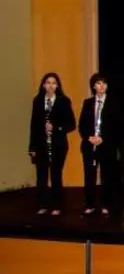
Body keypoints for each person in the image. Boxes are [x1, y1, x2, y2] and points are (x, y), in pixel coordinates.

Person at [29, 72, 76, 215]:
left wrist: (55, 128)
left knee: (56, 175)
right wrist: (32, 147)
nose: (51, 86)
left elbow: (71, 124)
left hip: (58, 145)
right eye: (48, 83)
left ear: (57, 86)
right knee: (41, 176)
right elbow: (33, 125)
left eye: (54, 83)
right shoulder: (37, 100)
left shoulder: (64, 101)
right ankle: (42, 204)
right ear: (43, 85)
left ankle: (57, 206)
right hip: (41, 144)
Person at [79, 72, 123, 216]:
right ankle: (90, 204)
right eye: (98, 83)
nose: (101, 86)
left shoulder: (114, 103)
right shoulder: (87, 103)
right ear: (93, 86)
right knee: (89, 175)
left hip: (107, 145)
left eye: (104, 83)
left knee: (107, 176)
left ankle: (106, 204)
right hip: (90, 145)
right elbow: (82, 125)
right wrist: (89, 137)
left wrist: (103, 138)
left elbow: (117, 126)